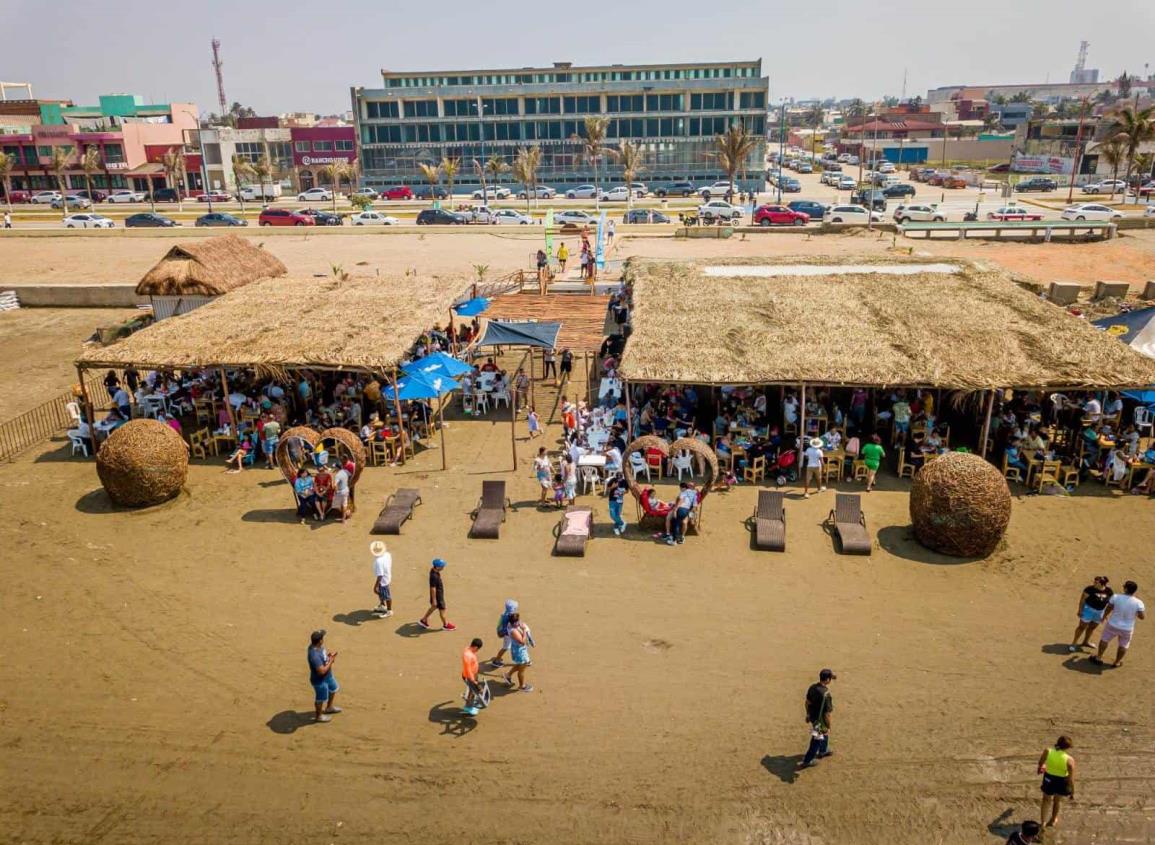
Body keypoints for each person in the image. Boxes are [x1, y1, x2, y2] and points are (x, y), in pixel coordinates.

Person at [1093, 580, 1145, 667]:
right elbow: (1142, 617)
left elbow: (1109, 608)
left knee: (1105, 639)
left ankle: (1098, 657)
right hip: (1127, 628)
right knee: (1123, 645)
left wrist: (1104, 616)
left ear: (1125, 589)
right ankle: (1117, 662)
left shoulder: (1116, 597)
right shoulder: (1138, 603)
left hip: (1113, 624)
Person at [799, 669, 836, 769]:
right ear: (827, 680)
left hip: (812, 717)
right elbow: (827, 714)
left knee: (824, 734)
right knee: (816, 740)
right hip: (820, 721)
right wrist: (829, 726)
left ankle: (823, 750)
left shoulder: (812, 687)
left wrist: (807, 714)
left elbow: (807, 702)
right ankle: (807, 760)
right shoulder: (826, 694)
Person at [1037, 736, 1075, 828]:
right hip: (1062, 781)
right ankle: (1053, 820)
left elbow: (1041, 762)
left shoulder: (1048, 751)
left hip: (1049, 778)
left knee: (1046, 800)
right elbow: (1071, 779)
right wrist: (1072, 791)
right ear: (1067, 747)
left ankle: (1043, 823)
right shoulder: (1069, 760)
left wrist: (1040, 768)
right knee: (1057, 801)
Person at [1070, 576, 1112, 652]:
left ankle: (1085, 642)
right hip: (1088, 610)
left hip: (1099, 612)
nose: (1094, 583)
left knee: (1092, 627)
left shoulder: (1109, 591)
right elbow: (1082, 600)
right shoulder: (1089, 589)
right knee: (1081, 627)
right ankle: (1074, 643)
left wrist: (1105, 614)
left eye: (1096, 582)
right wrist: (1080, 610)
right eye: (1094, 582)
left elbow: (1109, 603)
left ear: (1102, 584)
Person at [307, 630, 341, 723]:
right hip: (320, 681)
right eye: (322, 638)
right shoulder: (314, 655)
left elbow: (323, 658)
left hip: (328, 676)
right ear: (320, 641)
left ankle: (329, 707)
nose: (323, 639)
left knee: (333, 689)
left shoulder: (318, 647)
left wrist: (328, 657)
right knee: (320, 698)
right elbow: (321, 671)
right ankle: (318, 716)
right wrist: (331, 660)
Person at [418, 558, 456, 631]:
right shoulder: (434, 576)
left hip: (437, 596)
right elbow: (433, 588)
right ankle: (446, 625)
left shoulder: (433, 570)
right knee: (442, 610)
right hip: (438, 597)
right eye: (442, 566)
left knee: (433, 607)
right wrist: (434, 600)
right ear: (438, 567)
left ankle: (423, 620)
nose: (443, 567)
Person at [502, 612, 535, 692]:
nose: (519, 622)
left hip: (518, 650)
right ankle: (522, 686)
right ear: (515, 622)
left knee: (520, 665)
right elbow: (522, 641)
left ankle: (508, 675)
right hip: (520, 652)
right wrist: (523, 630)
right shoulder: (513, 631)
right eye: (518, 621)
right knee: (522, 670)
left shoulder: (510, 625)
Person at [666, 481, 698, 546]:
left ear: (693, 487)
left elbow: (681, 500)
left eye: (691, 485)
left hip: (681, 509)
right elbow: (694, 506)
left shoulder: (685, 492)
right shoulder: (694, 494)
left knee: (676, 524)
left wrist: (675, 509)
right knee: (677, 522)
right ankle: (677, 537)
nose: (689, 486)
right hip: (686, 510)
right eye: (688, 485)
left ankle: (674, 540)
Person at [489, 599, 519, 667]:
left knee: (511, 646)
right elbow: (508, 627)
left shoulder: (506, 613)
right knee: (506, 647)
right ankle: (496, 661)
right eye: (515, 608)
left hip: (507, 633)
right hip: (507, 634)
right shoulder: (509, 616)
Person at [462, 638, 485, 717]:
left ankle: (469, 705)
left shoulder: (468, 649)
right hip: (469, 676)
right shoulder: (468, 655)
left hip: (473, 674)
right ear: (475, 647)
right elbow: (468, 669)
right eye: (478, 649)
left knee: (472, 691)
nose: (477, 651)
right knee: (473, 691)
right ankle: (468, 707)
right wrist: (473, 680)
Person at [371, 540, 392, 617]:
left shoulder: (378, 561)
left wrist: (376, 585)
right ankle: (382, 605)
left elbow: (380, 575)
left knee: (386, 596)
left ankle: (389, 611)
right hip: (387, 576)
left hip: (383, 581)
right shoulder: (387, 554)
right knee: (381, 593)